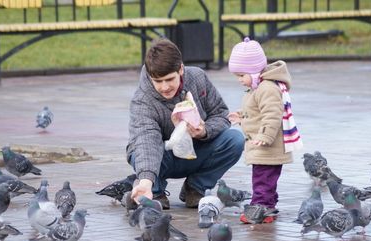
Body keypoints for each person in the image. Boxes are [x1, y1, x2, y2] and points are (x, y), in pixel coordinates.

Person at [127, 38, 244, 210]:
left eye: (169, 79)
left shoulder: (197, 77)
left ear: (180, 69)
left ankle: (195, 188)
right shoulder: (142, 101)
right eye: (158, 81)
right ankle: (154, 190)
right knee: (139, 151)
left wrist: (205, 131)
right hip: (162, 157)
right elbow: (146, 142)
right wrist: (146, 181)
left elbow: (221, 114)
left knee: (235, 139)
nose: (164, 87)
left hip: (195, 151)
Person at [228, 37, 303, 224]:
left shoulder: (267, 88)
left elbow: (272, 115)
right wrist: (241, 116)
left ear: (254, 72)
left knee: (262, 179)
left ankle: (261, 207)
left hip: (268, 146)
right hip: (262, 146)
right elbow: (256, 112)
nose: (239, 80)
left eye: (241, 75)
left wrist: (265, 135)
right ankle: (268, 207)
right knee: (266, 179)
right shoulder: (257, 88)